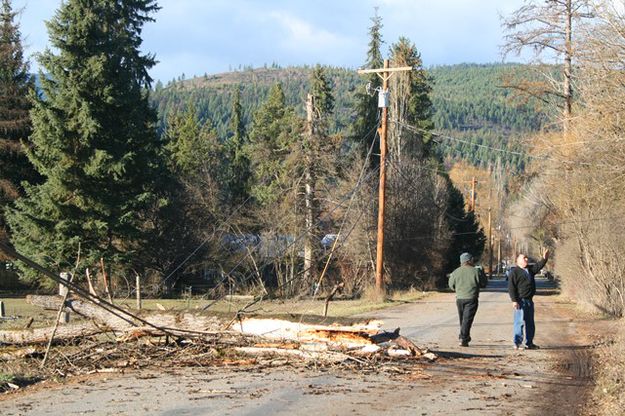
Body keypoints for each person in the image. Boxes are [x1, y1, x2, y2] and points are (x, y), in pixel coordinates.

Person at [508, 249, 550, 350]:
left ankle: (529, 343)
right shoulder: (514, 272)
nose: (526, 259)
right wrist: (514, 300)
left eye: (527, 257)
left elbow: (538, 266)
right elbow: (511, 288)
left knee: (530, 323)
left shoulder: (530, 269)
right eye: (524, 258)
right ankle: (517, 343)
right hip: (520, 301)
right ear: (518, 261)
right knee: (519, 322)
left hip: (529, 301)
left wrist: (545, 258)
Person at [448, 252, 488, 347]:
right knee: (467, 319)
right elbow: (483, 283)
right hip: (472, 298)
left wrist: (458, 290)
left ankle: (464, 336)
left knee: (463, 319)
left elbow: (451, 285)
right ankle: (463, 338)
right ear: (469, 260)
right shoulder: (476, 271)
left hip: (460, 298)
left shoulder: (456, 272)